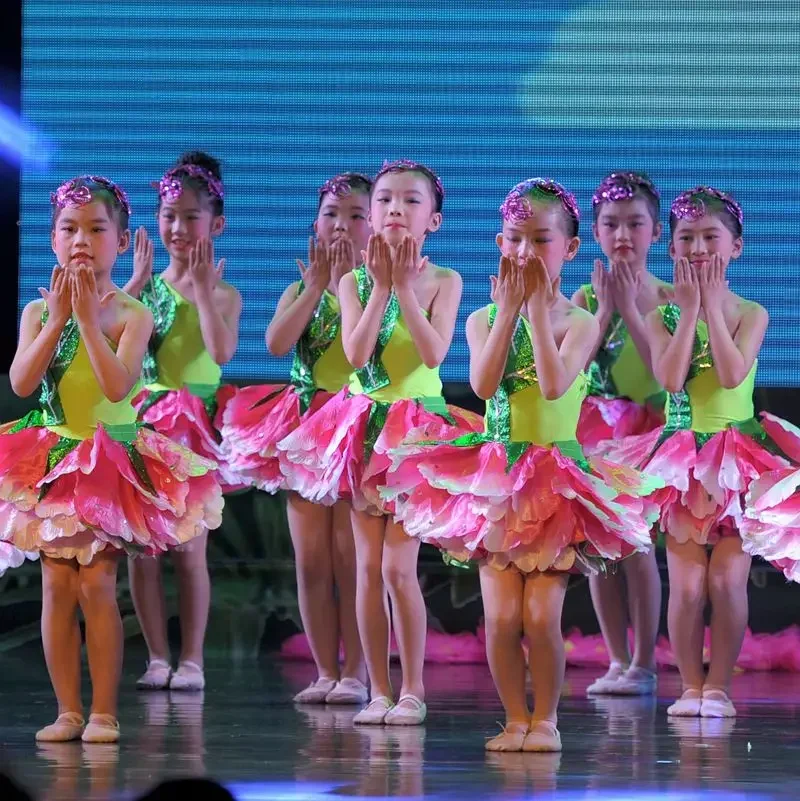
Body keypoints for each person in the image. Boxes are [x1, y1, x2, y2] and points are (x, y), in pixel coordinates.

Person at [383, 179, 657, 751]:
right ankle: (513, 719)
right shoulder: (484, 317)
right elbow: (483, 385)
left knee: (541, 616)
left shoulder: (580, 320)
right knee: (503, 618)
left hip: (556, 480)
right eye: (514, 240)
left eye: (540, 239)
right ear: (499, 243)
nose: (526, 252)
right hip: (498, 480)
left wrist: (533, 310)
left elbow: (556, 384)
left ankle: (547, 720)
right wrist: (508, 312)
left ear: (570, 248)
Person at [1, 176, 222, 742]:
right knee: (56, 585)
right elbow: (24, 383)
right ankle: (67, 710)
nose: (82, 240)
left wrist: (85, 321)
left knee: (98, 582)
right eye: (69, 229)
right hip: (49, 458)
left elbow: (119, 386)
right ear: (52, 240)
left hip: (106, 461)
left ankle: (103, 711)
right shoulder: (35, 311)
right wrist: (56, 319)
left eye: (97, 229)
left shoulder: (130, 313)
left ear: (120, 243)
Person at [279, 160, 481, 725]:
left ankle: (412, 689)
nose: (395, 209)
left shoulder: (445, 280)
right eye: (386, 200)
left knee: (398, 570)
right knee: (367, 569)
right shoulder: (351, 282)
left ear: (433, 220)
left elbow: (435, 353)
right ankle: (376, 690)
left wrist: (403, 289)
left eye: (410, 201)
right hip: (365, 429)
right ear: (372, 216)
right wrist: (379, 289)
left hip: (417, 434)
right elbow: (359, 354)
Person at [603, 186, 785, 718]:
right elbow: (669, 377)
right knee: (686, 586)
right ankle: (688, 686)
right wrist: (687, 313)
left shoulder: (752, 312)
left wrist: (709, 305)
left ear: (737, 248)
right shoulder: (664, 316)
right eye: (686, 238)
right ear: (672, 248)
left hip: (738, 458)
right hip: (683, 460)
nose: (698, 248)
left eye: (711, 237)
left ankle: (719, 687)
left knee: (726, 580)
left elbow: (730, 373)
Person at [220, 173, 372, 704]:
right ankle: (325, 671)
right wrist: (313, 287)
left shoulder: (380, 291)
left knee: (350, 557)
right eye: (332, 213)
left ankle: (358, 670)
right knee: (310, 560)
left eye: (356, 214)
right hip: (306, 427)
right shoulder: (301, 286)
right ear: (316, 221)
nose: (342, 225)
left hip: (356, 426)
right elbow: (277, 340)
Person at [124, 152, 242, 693]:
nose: (177, 227)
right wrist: (136, 283)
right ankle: (155, 656)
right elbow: (107, 344)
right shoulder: (143, 289)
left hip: (193, 427)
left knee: (190, 548)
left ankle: (191, 659)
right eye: (168, 215)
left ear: (215, 224)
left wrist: (197, 291)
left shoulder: (223, 294)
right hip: (143, 423)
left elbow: (220, 354)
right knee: (143, 548)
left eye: (191, 217)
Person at [573, 172, 668, 696]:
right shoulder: (585, 296)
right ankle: (613, 659)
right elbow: (571, 373)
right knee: (596, 549)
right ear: (595, 232)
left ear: (656, 232)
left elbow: (662, 371)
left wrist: (629, 309)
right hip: (592, 428)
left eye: (635, 223)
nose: (622, 234)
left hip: (645, 430)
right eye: (610, 224)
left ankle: (644, 662)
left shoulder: (671, 296)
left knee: (636, 547)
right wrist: (605, 309)